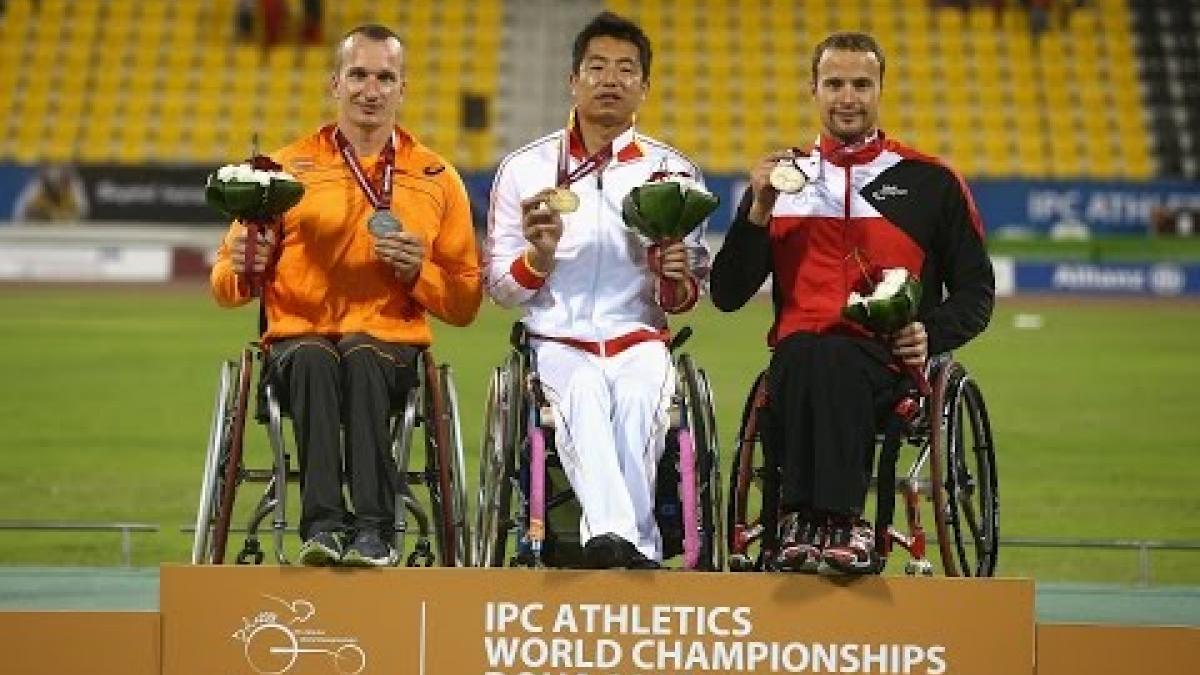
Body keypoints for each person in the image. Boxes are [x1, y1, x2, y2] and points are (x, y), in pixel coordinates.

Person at [710, 32, 994, 574]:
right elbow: (726, 295)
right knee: (807, 353)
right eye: (834, 83)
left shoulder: (930, 182)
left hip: (888, 359)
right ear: (813, 90)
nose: (848, 97)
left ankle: (818, 519)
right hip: (798, 358)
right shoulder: (782, 181)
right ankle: (827, 522)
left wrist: (931, 333)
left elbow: (976, 293)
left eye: (861, 84)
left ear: (880, 89)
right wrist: (759, 209)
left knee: (831, 355)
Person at [210, 24, 482, 567]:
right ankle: (324, 529)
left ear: (402, 90)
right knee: (314, 357)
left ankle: (375, 532)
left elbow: (465, 301)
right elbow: (224, 284)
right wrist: (248, 269)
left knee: (361, 355)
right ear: (336, 82)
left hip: (388, 342)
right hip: (297, 340)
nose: (370, 89)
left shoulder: (436, 176)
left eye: (385, 77)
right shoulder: (281, 171)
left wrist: (418, 275)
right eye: (358, 74)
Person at [485, 12, 710, 569]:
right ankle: (628, 543)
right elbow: (500, 288)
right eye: (597, 67)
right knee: (583, 396)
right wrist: (537, 258)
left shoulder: (674, 174)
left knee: (638, 401)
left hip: (638, 339)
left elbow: (685, 297)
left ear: (644, 87)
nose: (611, 79)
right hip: (557, 339)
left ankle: (617, 543)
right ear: (572, 81)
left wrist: (675, 275)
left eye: (626, 69)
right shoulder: (525, 169)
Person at [12, 163, 89, 223]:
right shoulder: (36, 185)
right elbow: (19, 213)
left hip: (67, 230)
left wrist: (62, 216)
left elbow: (83, 211)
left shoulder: (74, 184)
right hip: (41, 230)